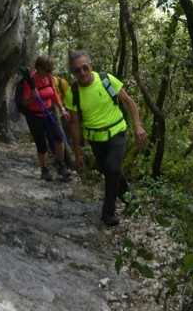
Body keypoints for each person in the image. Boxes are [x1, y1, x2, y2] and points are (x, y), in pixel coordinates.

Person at [64, 50, 148, 226]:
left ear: (91, 66)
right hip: (95, 138)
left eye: (84, 68)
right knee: (109, 170)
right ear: (73, 73)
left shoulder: (106, 80)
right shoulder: (73, 92)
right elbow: (74, 124)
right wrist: (78, 153)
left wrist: (138, 126)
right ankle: (131, 198)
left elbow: (129, 102)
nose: (82, 73)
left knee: (111, 169)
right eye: (77, 71)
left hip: (117, 131)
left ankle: (108, 212)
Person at [20, 54, 71, 181]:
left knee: (58, 138)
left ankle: (61, 164)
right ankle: (45, 170)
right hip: (35, 117)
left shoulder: (48, 78)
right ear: (39, 68)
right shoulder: (29, 80)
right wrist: (33, 96)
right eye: (47, 70)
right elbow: (25, 102)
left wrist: (62, 109)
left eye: (51, 70)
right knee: (41, 143)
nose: (50, 73)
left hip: (49, 112)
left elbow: (54, 95)